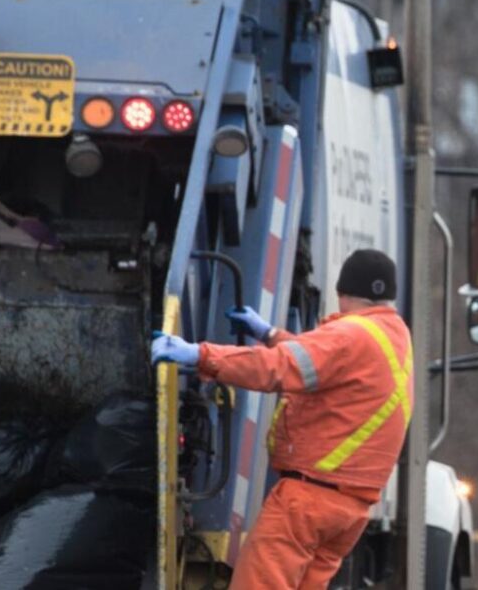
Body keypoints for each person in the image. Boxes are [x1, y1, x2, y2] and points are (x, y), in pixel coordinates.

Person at [151, 249, 413, 589]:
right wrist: (271, 334)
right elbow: (326, 363)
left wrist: (201, 354)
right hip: (350, 510)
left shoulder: (351, 334)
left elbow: (277, 368)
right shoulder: (394, 335)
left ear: (342, 292)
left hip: (308, 502)